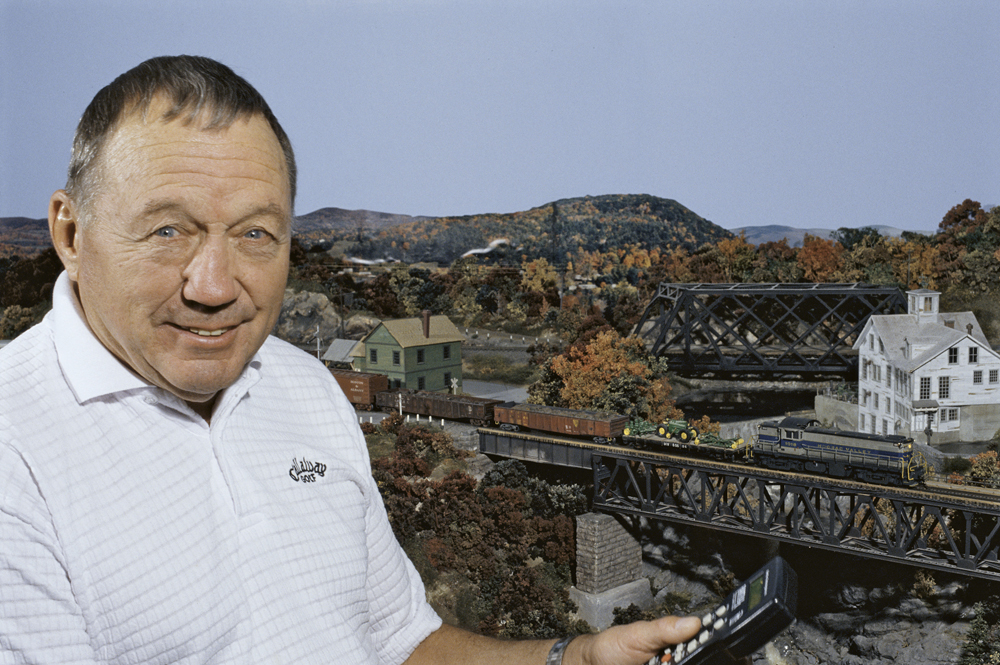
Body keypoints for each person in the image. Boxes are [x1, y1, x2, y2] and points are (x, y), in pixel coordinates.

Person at [0, 55, 702, 664]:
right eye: (166, 228)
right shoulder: (15, 446)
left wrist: (570, 655)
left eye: (255, 233)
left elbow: (401, 642)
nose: (213, 286)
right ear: (70, 230)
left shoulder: (306, 388)